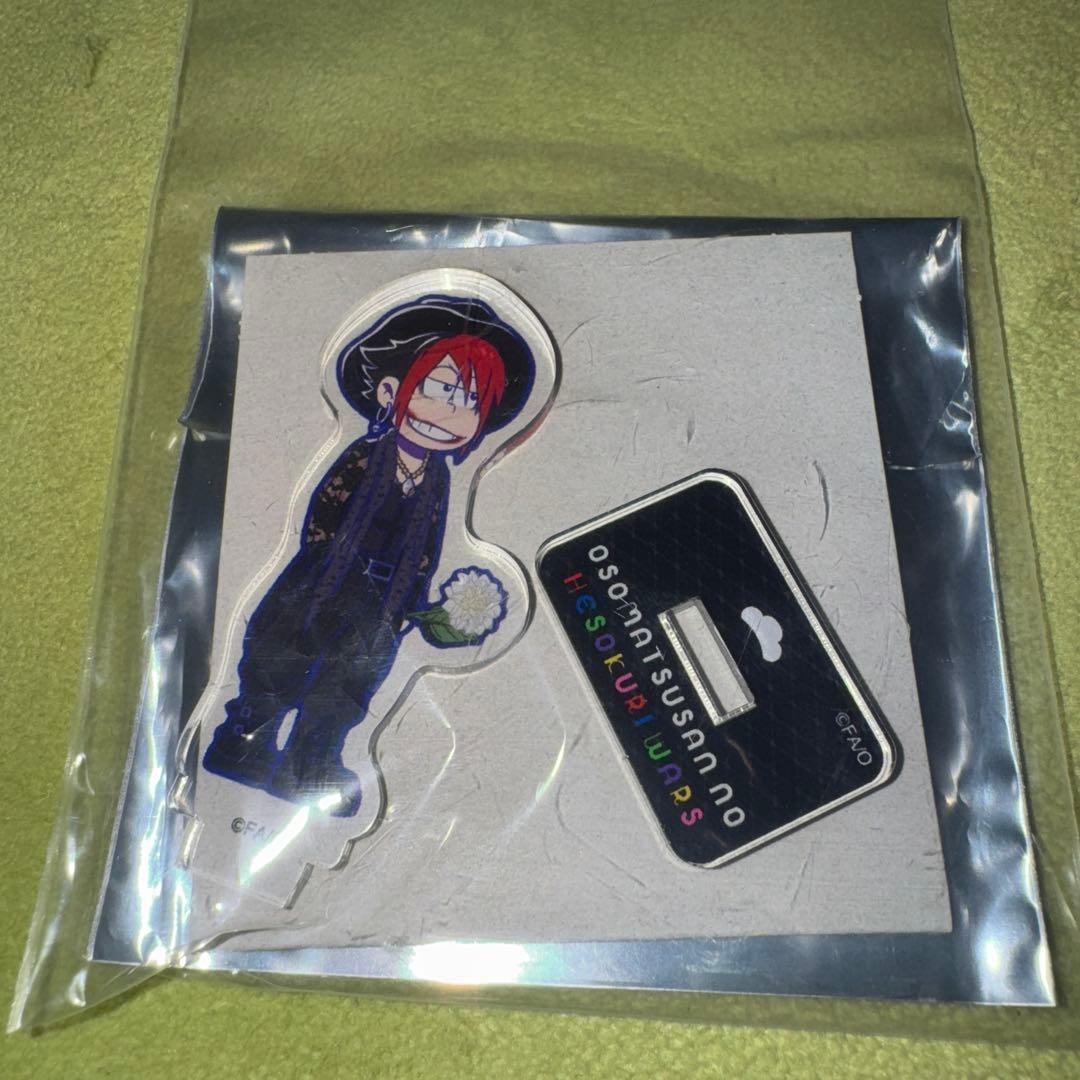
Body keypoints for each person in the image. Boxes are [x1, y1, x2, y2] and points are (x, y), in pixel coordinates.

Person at [202, 294, 535, 816]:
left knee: (348, 684)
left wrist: (419, 607)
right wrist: (324, 568)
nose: (450, 413)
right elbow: (325, 513)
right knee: (281, 660)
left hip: (382, 599)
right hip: (324, 581)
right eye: (438, 390)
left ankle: (310, 764)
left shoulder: (437, 479)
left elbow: (425, 548)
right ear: (389, 391)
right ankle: (243, 743)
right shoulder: (366, 454)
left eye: (470, 402)